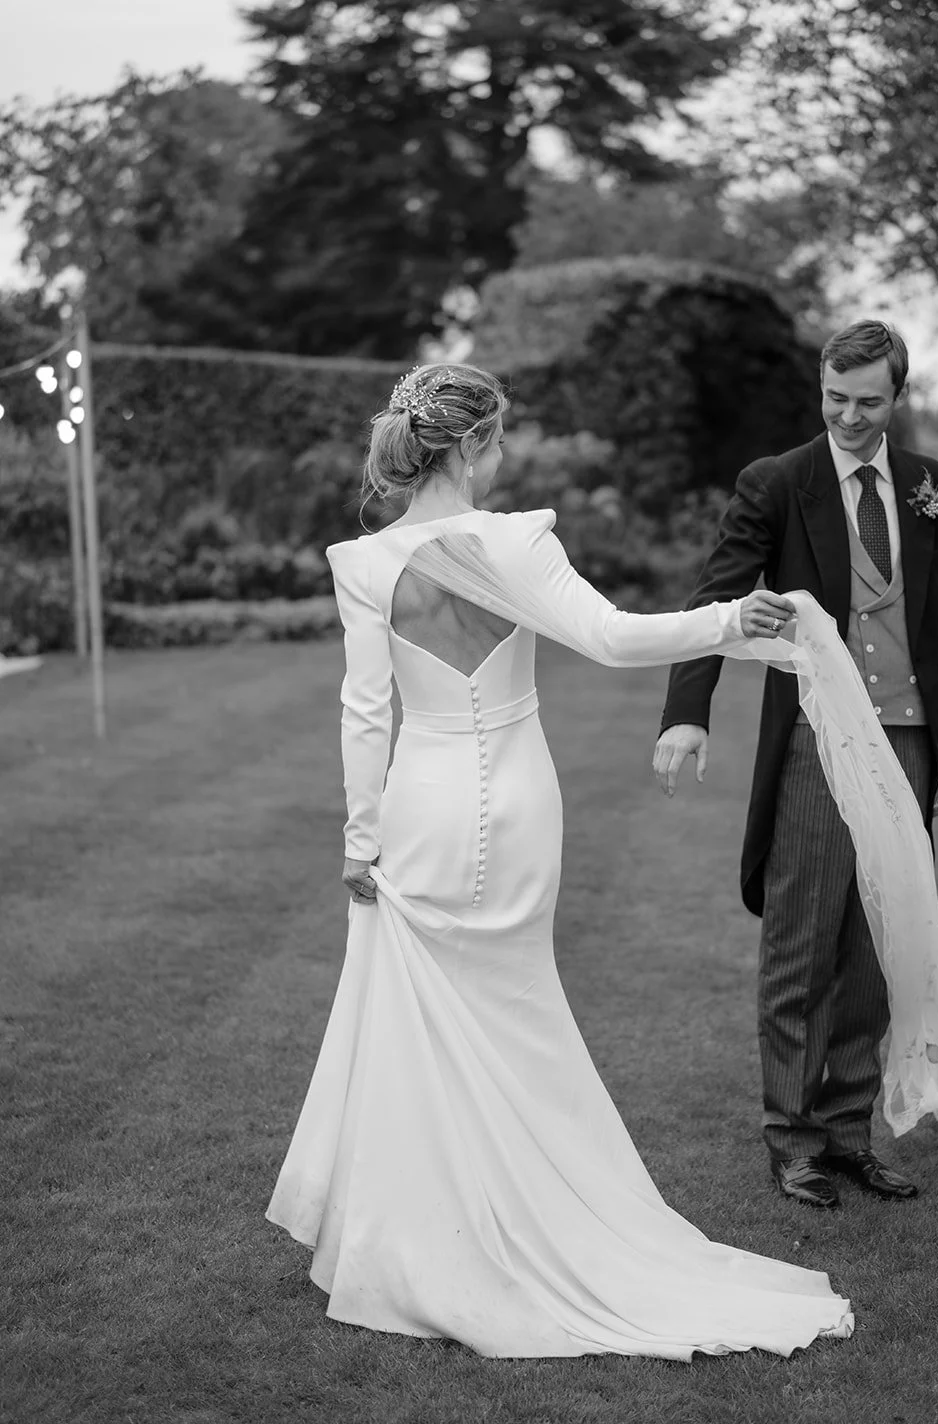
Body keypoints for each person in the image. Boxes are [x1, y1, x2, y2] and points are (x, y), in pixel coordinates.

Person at [267, 363, 853, 1359]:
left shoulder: (365, 564)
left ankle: (435, 1237)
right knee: (520, 1013)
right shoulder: (514, 542)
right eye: (495, 443)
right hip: (523, 806)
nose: (501, 461)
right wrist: (726, 621)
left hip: (422, 806)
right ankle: (521, 1225)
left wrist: (358, 839)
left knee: (425, 1024)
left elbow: (367, 713)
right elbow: (612, 638)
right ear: (466, 446)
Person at [654, 320, 938, 1209]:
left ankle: (845, 1134)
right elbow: (715, 601)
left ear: (897, 396)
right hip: (815, 739)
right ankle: (791, 1140)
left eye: (868, 401)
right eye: (834, 397)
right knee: (801, 941)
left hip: (906, 741)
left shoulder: (931, 490)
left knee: (876, 943)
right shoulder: (777, 483)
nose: (848, 416)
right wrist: (688, 715)